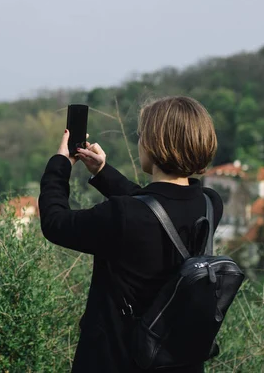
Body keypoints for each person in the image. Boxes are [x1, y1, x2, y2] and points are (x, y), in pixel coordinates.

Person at [38, 96, 223, 372]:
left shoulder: (123, 215)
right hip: (178, 362)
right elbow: (156, 206)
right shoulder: (209, 204)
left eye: (142, 135)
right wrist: (103, 172)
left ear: (154, 145)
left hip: (117, 360)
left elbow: (55, 222)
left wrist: (60, 163)